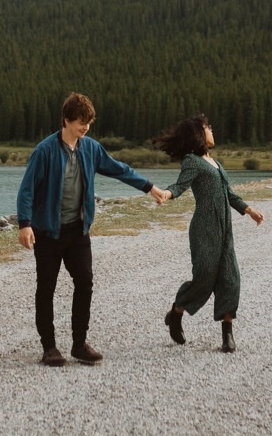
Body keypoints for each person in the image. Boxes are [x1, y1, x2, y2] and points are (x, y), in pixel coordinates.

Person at [17, 91, 169, 367]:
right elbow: (27, 189)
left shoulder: (90, 148)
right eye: (80, 122)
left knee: (85, 282)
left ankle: (79, 344)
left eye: (88, 122)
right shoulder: (45, 151)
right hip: (48, 233)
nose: (85, 127)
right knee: (46, 289)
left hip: (78, 231)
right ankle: (49, 348)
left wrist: (151, 188)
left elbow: (119, 169)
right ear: (66, 120)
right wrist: (25, 224)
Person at [153, 113, 264, 353]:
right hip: (204, 228)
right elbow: (180, 185)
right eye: (208, 127)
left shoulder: (216, 163)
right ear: (198, 133)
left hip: (225, 228)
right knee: (204, 276)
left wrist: (249, 209)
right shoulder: (192, 161)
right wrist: (166, 194)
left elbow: (230, 194)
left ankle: (227, 334)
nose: (212, 130)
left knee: (230, 278)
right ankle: (176, 312)